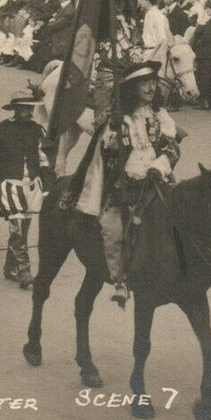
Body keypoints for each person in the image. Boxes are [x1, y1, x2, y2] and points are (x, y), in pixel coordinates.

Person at [61, 59, 184, 305]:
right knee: (115, 226)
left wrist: (159, 167)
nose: (150, 88)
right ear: (132, 88)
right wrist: (115, 134)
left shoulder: (161, 115)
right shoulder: (121, 118)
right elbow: (108, 152)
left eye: (152, 83)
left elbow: (172, 148)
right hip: (126, 182)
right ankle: (121, 278)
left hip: (157, 177)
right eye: (144, 84)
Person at [0, 89, 54, 288]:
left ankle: (10, 267)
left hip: (31, 186)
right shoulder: (2, 128)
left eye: (29, 108)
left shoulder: (37, 130)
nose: (27, 112)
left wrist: (48, 184)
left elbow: (44, 161)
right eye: (23, 108)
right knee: (18, 228)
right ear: (15, 109)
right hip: (10, 187)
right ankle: (24, 271)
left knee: (22, 229)